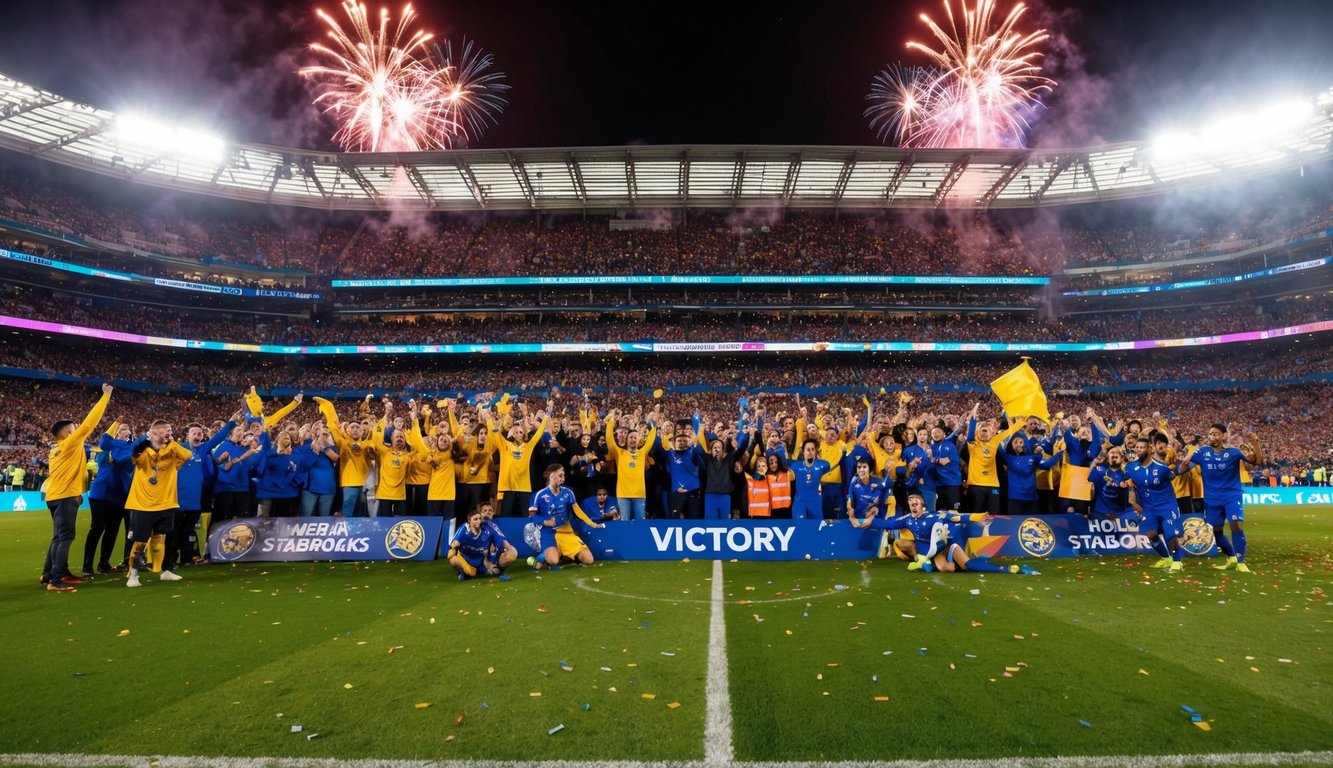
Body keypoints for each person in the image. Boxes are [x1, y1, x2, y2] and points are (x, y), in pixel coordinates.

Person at [852, 492, 1036, 574]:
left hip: (945, 547)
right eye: (910, 501)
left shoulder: (934, 515)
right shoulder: (907, 519)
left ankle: (1005, 569)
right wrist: (863, 522)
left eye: (916, 500)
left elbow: (955, 518)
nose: (912, 503)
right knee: (941, 567)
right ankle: (923, 561)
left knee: (967, 566)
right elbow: (887, 523)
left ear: (922, 504)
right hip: (926, 551)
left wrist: (977, 517)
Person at [41, 383, 112, 592]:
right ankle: (55, 580)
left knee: (58, 537)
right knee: (65, 537)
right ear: (65, 434)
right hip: (65, 497)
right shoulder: (70, 444)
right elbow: (90, 423)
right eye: (73, 430)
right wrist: (105, 397)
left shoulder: (55, 450)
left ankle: (49, 574)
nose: (77, 432)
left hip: (55, 496)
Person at [1178, 423, 1261, 573]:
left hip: (1231, 495)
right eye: (1210, 434)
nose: (1212, 436)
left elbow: (1257, 462)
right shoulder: (1202, 453)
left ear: (1223, 436)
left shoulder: (1234, 452)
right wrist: (1187, 458)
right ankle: (1231, 557)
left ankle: (1241, 562)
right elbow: (1181, 470)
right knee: (1216, 531)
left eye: (1216, 434)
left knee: (1236, 524)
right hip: (1211, 498)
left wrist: (1255, 443)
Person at [123, 419, 195, 588]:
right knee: (140, 541)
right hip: (143, 504)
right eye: (165, 431)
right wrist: (149, 441)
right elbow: (133, 455)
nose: (169, 433)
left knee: (162, 539)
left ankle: (165, 571)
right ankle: (133, 575)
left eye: (170, 430)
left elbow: (188, 455)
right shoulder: (145, 451)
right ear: (154, 433)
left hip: (166, 503)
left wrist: (171, 442)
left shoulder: (173, 449)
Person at [527, 464, 605, 570]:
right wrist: (547, 522)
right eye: (560, 476)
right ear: (552, 476)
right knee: (554, 561)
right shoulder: (539, 495)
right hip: (548, 533)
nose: (563, 478)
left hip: (566, 532)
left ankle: (561, 555)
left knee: (588, 559)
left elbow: (578, 511)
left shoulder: (568, 493)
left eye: (564, 475)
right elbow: (532, 517)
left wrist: (592, 523)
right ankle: (540, 559)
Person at [82, 419, 133, 577]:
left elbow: (129, 466)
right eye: (122, 428)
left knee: (112, 530)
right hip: (101, 494)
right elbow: (110, 457)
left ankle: (104, 563)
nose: (126, 430)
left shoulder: (131, 449)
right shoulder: (106, 450)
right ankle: (87, 565)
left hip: (119, 495)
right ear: (116, 433)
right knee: (97, 528)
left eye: (128, 429)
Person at [1125, 434, 1182, 572]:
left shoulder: (1162, 468)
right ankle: (1165, 558)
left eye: (1142, 447)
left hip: (1167, 505)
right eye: (1137, 447)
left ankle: (1177, 561)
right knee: (1150, 533)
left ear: (1150, 449)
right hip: (1148, 507)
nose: (1138, 450)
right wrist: (1132, 501)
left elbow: (1175, 474)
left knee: (1170, 534)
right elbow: (1131, 485)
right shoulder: (1131, 467)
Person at [313, 396, 374, 518]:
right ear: (348, 431)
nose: (355, 430)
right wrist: (328, 407)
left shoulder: (368, 444)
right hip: (349, 483)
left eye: (358, 428)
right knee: (348, 515)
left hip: (366, 485)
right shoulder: (343, 443)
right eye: (352, 427)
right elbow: (334, 427)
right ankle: (347, 536)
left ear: (362, 431)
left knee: (364, 516)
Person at [488, 403, 551, 517]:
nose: (518, 434)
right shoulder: (505, 446)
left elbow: (539, 432)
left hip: (524, 486)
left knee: (525, 516)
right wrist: (490, 421)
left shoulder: (528, 447)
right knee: (505, 515)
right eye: (516, 432)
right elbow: (496, 434)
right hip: (508, 487)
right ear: (511, 433)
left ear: (524, 434)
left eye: (521, 432)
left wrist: (548, 413)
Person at [964, 404, 1025, 515]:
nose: (984, 429)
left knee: (994, 515)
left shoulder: (995, 441)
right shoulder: (973, 444)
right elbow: (970, 432)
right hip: (976, 485)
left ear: (992, 433)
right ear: (977, 433)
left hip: (993, 485)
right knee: (976, 514)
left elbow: (1012, 430)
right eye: (981, 429)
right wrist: (974, 412)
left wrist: (1016, 415)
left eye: (986, 429)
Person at [370, 399, 426, 517]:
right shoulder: (384, 452)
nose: (399, 438)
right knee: (384, 525)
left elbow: (421, 450)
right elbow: (375, 439)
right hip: (384, 495)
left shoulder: (408, 456)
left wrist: (414, 420)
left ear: (406, 440)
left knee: (400, 524)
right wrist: (385, 416)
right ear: (391, 439)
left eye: (401, 437)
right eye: (396, 436)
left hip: (401, 496)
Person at [604, 408, 656, 521]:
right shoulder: (619, 453)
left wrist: (651, 422)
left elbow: (652, 437)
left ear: (639, 440)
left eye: (635, 438)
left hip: (640, 494)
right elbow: (609, 439)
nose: (633, 440)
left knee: (640, 522)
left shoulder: (642, 453)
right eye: (631, 437)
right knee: (625, 521)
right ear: (627, 439)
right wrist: (611, 421)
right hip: (623, 494)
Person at [999, 434, 1063, 516]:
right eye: (1015, 443)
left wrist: (1061, 452)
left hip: (1032, 499)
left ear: (1025, 444)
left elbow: (1047, 464)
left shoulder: (1034, 458)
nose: (1018, 444)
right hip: (1015, 500)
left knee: (1032, 526)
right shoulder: (1009, 458)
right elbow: (998, 447)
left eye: (1021, 442)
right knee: (1015, 527)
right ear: (1011, 446)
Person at [448, 507, 508, 580]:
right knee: (452, 557)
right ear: (469, 521)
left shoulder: (486, 529)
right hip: (467, 559)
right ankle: (463, 573)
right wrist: (455, 544)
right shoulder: (464, 529)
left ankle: (478, 571)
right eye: (475, 519)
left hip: (481, 561)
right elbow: (454, 543)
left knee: (495, 572)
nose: (478, 521)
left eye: (480, 519)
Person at [296, 425, 340, 517]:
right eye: (323, 434)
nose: (325, 437)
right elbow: (304, 464)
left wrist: (325, 448)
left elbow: (336, 458)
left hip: (327, 489)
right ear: (316, 435)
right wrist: (314, 450)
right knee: (306, 520)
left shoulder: (334, 449)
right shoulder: (306, 447)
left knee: (324, 521)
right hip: (309, 489)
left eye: (327, 435)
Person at [790, 439, 833, 520]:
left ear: (815, 452)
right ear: (803, 451)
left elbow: (829, 465)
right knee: (800, 527)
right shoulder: (796, 466)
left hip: (815, 501)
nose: (810, 452)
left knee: (816, 528)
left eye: (812, 449)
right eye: (808, 449)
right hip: (800, 502)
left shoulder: (823, 465)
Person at [1087, 446, 1132, 518]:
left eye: (1117, 453)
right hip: (1101, 512)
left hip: (1121, 513)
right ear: (1107, 458)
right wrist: (1094, 462)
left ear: (1122, 458)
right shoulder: (1100, 470)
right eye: (1112, 452)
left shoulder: (1127, 473)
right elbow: (1089, 478)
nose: (1114, 454)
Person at [845, 457, 889, 526]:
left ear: (869, 469)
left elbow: (884, 504)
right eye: (859, 467)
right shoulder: (854, 481)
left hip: (877, 520)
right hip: (859, 520)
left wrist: (871, 518)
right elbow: (850, 500)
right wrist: (851, 516)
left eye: (864, 467)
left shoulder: (879, 482)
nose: (861, 470)